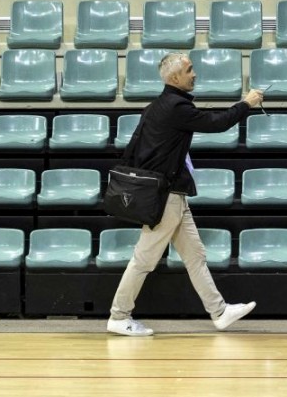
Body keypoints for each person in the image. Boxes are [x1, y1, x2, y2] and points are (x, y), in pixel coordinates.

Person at [107, 53, 263, 337]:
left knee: (195, 255)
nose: (195, 74)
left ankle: (219, 311)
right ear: (174, 77)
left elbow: (134, 150)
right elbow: (217, 122)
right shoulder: (175, 107)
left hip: (171, 194)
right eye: (190, 70)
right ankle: (119, 315)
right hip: (166, 196)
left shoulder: (156, 106)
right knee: (144, 259)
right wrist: (246, 104)